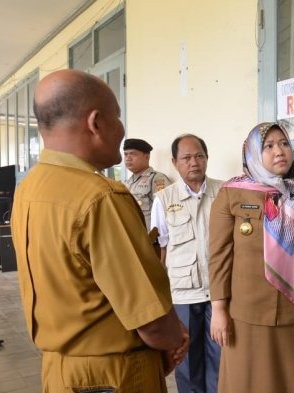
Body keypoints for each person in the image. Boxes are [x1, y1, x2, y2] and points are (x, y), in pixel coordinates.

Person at [10, 69, 188, 392]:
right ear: (96, 122)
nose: (121, 130)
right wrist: (177, 336)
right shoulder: (101, 197)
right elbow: (150, 320)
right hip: (113, 376)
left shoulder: (28, 189)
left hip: (58, 371)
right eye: (118, 117)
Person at [209, 122, 294, 393]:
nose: (278, 151)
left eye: (284, 144)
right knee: (249, 383)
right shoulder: (231, 193)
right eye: (268, 146)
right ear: (253, 153)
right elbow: (219, 256)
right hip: (247, 314)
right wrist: (219, 309)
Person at [150, 133, 223, 393]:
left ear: (207, 158)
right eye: (187, 158)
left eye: (199, 156)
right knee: (188, 364)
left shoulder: (224, 192)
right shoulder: (164, 199)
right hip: (182, 295)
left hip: (219, 295)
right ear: (175, 162)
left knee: (220, 362)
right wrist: (161, 298)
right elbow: (161, 249)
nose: (194, 162)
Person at [124, 138, 171, 229]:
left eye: (133, 154)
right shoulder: (128, 183)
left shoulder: (157, 179)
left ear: (147, 156)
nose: (128, 158)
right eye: (126, 154)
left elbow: (166, 211)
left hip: (150, 239)